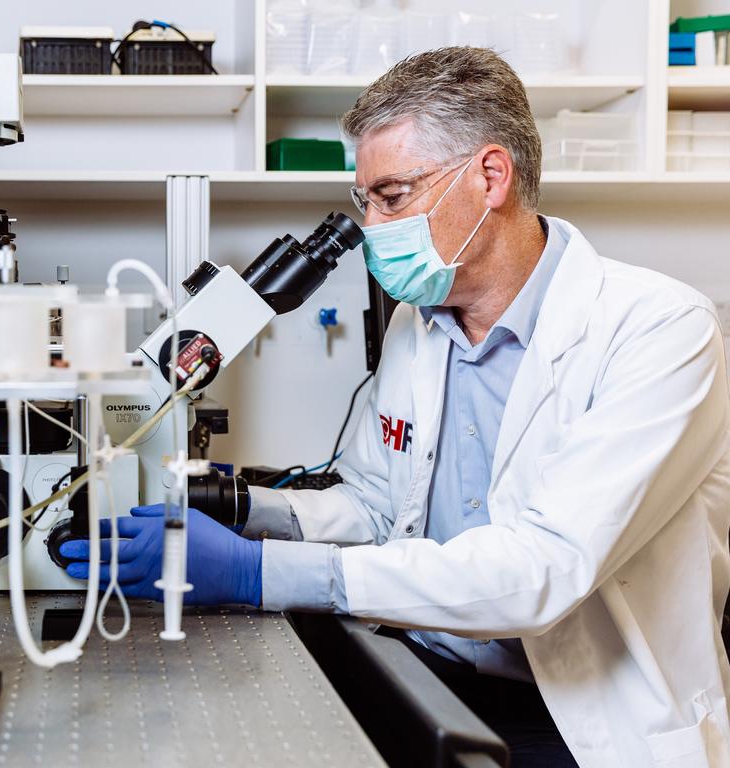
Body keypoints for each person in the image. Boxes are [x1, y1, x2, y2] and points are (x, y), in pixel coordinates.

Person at [63, 47, 730, 767]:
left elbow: (542, 569)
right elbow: (378, 507)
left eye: (392, 196)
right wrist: (234, 506)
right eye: (365, 202)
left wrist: (257, 573)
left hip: (588, 716)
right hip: (430, 675)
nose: (373, 228)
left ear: (491, 176)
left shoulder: (659, 329)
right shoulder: (421, 324)